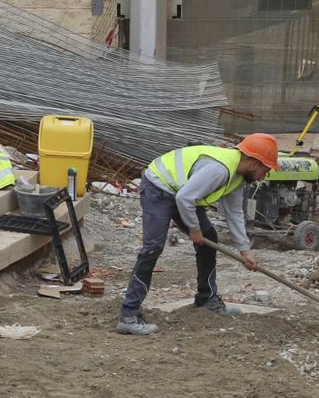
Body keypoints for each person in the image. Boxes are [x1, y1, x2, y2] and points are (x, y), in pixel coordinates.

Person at [115, 134, 278, 336]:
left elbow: (234, 213)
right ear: (254, 164)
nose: (264, 176)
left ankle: (207, 298)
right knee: (153, 247)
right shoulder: (220, 169)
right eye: (266, 170)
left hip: (183, 192)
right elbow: (185, 198)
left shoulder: (238, 177)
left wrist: (244, 250)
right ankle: (129, 315)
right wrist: (194, 229)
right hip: (159, 187)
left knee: (209, 239)